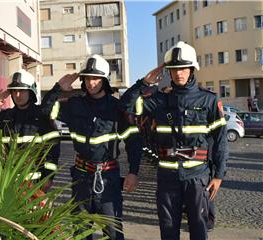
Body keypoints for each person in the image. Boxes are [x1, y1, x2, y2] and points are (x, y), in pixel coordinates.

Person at [119, 41, 228, 240]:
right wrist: (143, 84)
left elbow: (221, 140)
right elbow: (125, 106)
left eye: (184, 68)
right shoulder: (159, 101)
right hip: (167, 176)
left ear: (192, 69)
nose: (179, 74)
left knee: (199, 229)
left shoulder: (208, 100)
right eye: (174, 69)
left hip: (197, 176)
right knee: (168, 230)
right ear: (169, 72)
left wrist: (219, 175)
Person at [41, 54, 142, 239]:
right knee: (80, 231)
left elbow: (133, 142)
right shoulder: (74, 104)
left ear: (104, 80)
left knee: (112, 233)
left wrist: (133, 172)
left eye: (95, 78)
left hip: (109, 178)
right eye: (87, 78)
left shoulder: (117, 107)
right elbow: (44, 111)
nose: (90, 83)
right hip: (80, 178)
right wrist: (57, 89)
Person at [0, 69, 60, 192]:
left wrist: (48, 177)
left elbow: (53, 150)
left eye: (21, 91)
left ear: (31, 92)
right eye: (14, 91)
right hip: (9, 180)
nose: (17, 95)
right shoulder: (6, 116)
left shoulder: (41, 116)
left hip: (35, 182)